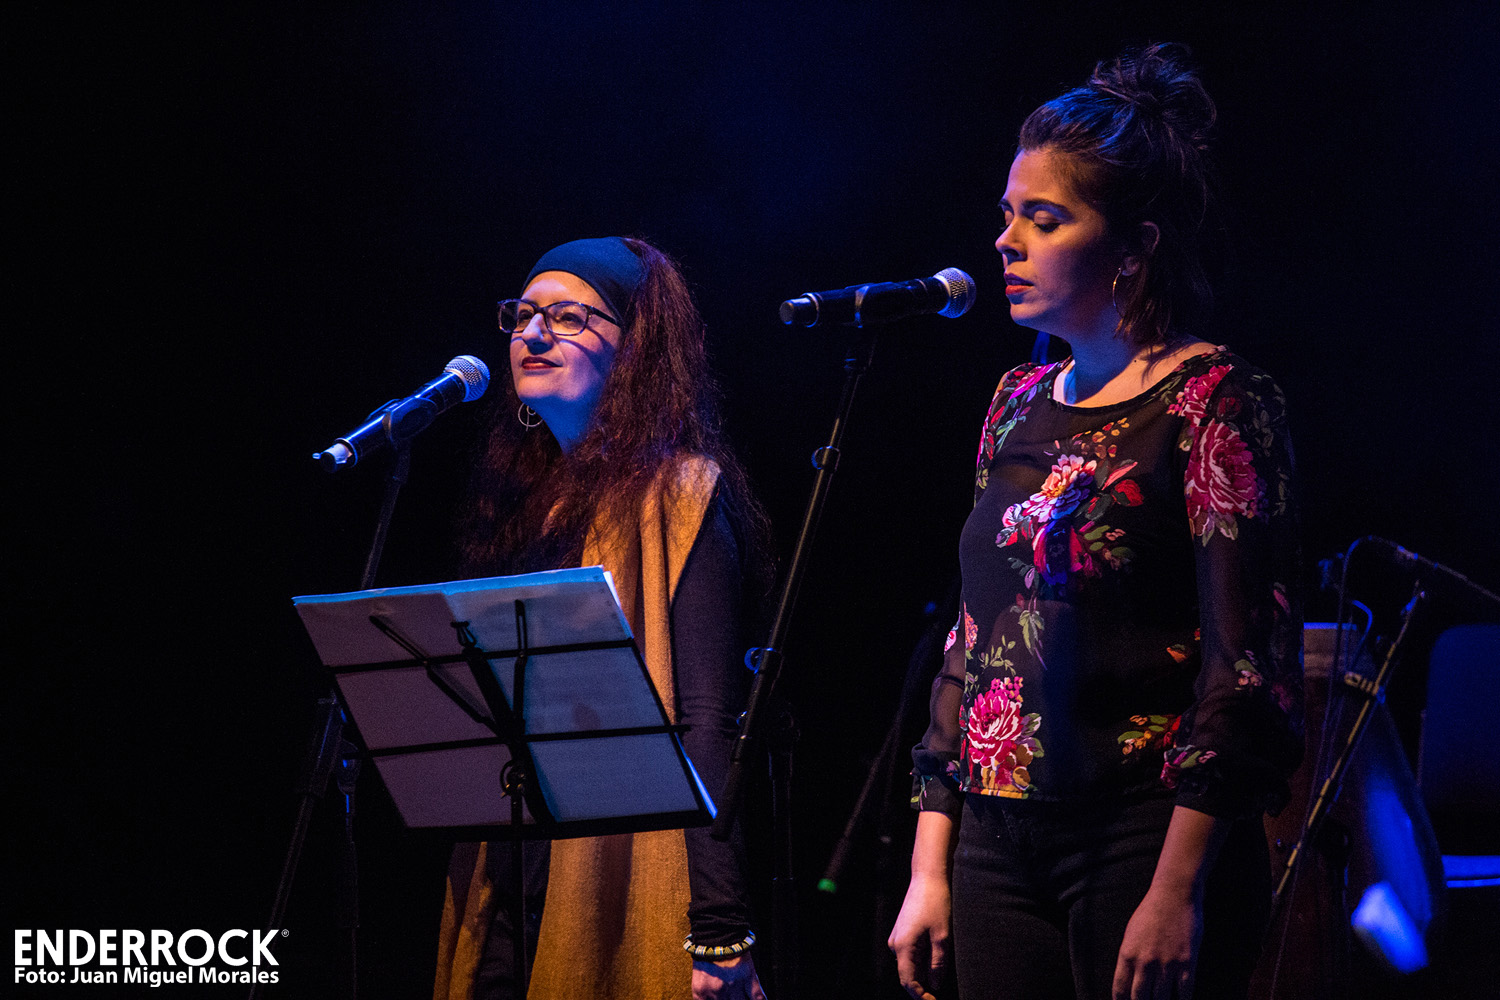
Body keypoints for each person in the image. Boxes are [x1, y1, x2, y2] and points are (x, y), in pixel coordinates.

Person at [888, 44, 1302, 1000]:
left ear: (1133, 246)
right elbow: (973, 643)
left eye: (1044, 219)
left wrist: (1177, 889)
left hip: (1141, 834)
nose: (1007, 241)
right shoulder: (1015, 401)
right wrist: (929, 865)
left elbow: (1244, 668)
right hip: (996, 841)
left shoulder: (1214, 402)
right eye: (1008, 215)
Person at [433, 236, 769, 1000]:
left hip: (612, 881)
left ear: (635, 349)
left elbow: (704, 720)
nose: (533, 333)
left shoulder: (681, 495)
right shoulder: (525, 508)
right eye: (522, 315)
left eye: (566, 317)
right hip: (509, 877)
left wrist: (720, 921)